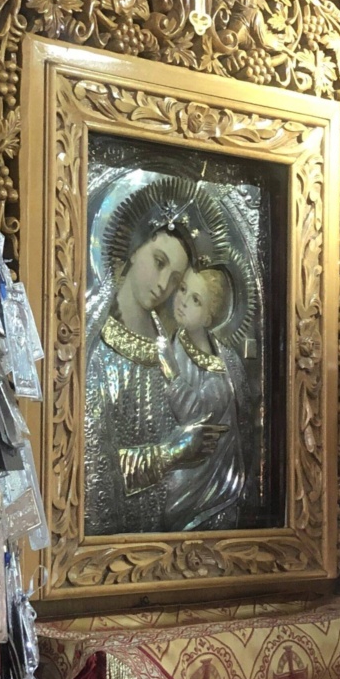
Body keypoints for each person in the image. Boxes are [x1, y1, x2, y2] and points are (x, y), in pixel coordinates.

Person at [84, 207, 225, 535]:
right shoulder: (95, 346)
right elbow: (94, 472)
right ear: (134, 250)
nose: (163, 285)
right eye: (159, 262)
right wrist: (172, 453)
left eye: (175, 279)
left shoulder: (168, 344)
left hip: (163, 533)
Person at [162, 266, 249, 530]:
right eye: (183, 289)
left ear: (209, 317)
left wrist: (172, 375)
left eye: (196, 300)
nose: (183, 301)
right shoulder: (172, 343)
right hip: (176, 470)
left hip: (209, 485)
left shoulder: (222, 367)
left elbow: (197, 413)